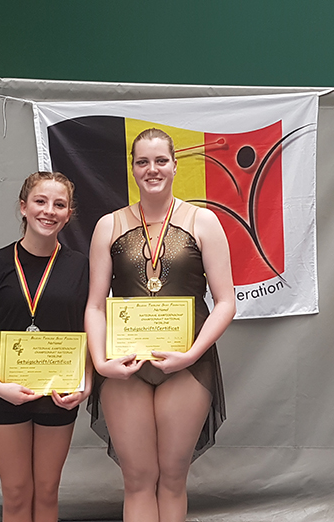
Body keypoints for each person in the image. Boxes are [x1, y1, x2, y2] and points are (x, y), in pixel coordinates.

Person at [85, 128, 236, 522]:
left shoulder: (203, 221)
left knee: (171, 478)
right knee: (137, 480)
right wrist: (101, 363)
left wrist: (192, 354)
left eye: (160, 161)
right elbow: (95, 306)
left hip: (187, 364)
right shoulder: (109, 225)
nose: (152, 169)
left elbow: (226, 302)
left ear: (174, 165)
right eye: (143, 162)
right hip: (125, 364)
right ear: (133, 168)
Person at [0, 171, 90, 522]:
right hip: (5, 391)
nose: (49, 211)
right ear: (23, 207)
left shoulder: (82, 267)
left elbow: (91, 333)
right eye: (40, 201)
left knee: (47, 491)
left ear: (68, 214)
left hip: (59, 393)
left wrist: (86, 384)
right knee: (16, 493)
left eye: (59, 204)